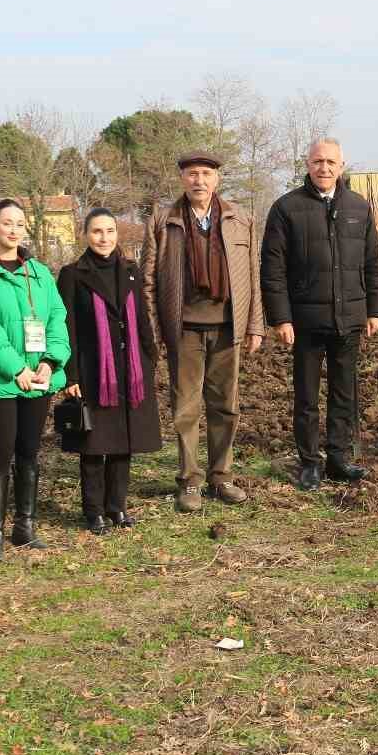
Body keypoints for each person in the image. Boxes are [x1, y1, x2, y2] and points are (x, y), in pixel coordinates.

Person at [260, 138, 378, 491]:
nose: (324, 168)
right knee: (306, 395)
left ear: (341, 166)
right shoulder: (286, 208)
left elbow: (373, 262)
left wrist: (375, 309)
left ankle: (338, 458)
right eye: (318, 161)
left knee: (344, 392)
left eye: (331, 162)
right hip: (305, 323)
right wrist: (281, 318)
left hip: (349, 320)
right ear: (308, 164)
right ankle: (309, 462)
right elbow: (272, 268)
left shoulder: (358, 208)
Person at [142, 153, 263, 509]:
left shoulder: (241, 218)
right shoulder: (164, 219)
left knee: (225, 405)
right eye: (192, 174)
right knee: (186, 407)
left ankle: (221, 478)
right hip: (183, 329)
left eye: (206, 174)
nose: (199, 180)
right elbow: (149, 280)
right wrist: (154, 330)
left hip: (228, 327)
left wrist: (255, 324)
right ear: (182, 179)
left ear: (217, 179)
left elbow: (252, 276)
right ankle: (190, 481)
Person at [0, 198, 70, 561]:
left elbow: (56, 319)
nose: (13, 229)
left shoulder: (40, 274)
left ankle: (26, 525)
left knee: (29, 452)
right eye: (6, 222)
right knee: (0, 455)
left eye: (19, 223)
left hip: (38, 378)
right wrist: (16, 369)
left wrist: (50, 363)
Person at [59, 209, 163, 533]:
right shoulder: (73, 274)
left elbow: (143, 318)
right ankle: (93, 512)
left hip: (130, 370)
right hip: (94, 372)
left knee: (124, 442)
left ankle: (117, 507)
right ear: (85, 235)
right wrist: (71, 375)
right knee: (94, 444)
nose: (104, 238)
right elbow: (67, 328)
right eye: (96, 231)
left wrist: (150, 356)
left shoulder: (130, 270)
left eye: (109, 231)